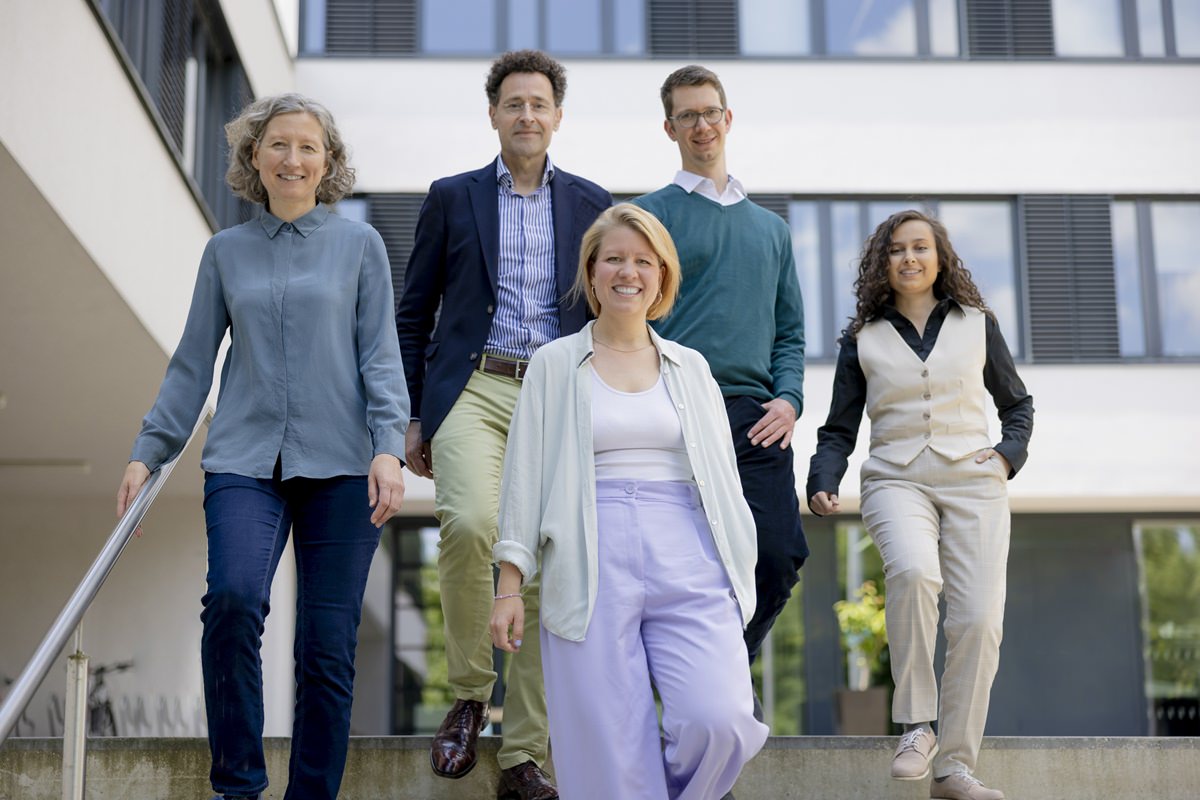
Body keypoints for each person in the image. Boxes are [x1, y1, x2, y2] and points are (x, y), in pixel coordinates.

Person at [115, 94, 409, 800]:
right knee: (235, 603)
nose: (293, 158)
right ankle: (238, 785)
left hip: (342, 465)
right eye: (278, 144)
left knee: (327, 643)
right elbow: (192, 364)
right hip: (245, 461)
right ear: (254, 156)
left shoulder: (360, 247)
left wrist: (388, 446)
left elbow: (380, 356)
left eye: (308, 147)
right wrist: (147, 451)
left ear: (328, 162)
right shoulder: (225, 252)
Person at [489, 203, 768, 800]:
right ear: (591, 274)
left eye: (644, 261)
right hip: (588, 555)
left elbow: (722, 478)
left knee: (720, 721)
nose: (628, 272)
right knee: (608, 751)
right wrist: (509, 586)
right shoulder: (555, 363)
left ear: (663, 277)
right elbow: (524, 479)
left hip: (688, 548)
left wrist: (735, 562)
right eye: (613, 258)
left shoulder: (691, 368)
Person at [395, 50, 611, 799]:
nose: (527, 115)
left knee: (552, 560)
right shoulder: (452, 197)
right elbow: (414, 311)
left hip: (558, 395)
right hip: (475, 388)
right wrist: (415, 415)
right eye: (513, 103)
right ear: (493, 114)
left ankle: (524, 751)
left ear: (557, 116)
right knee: (472, 523)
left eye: (539, 104)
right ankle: (467, 693)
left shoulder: (591, 202)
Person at [807, 210, 1034, 800]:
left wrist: (1007, 456)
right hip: (895, 478)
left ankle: (954, 769)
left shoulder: (978, 323)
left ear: (939, 258)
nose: (909, 258)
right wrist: (822, 476)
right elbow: (838, 427)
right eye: (896, 250)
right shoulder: (862, 338)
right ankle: (916, 727)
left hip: (974, 480)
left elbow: (1017, 405)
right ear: (882, 262)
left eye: (920, 248)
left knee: (979, 622)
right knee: (912, 572)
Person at [633, 65, 809, 678]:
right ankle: (702, 690)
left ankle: (725, 666)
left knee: (780, 555)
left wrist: (789, 399)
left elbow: (789, 333)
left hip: (757, 415)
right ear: (669, 127)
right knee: (691, 563)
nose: (701, 125)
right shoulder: (649, 219)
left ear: (728, 118)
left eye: (710, 112)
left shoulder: (772, 230)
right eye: (687, 115)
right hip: (677, 408)